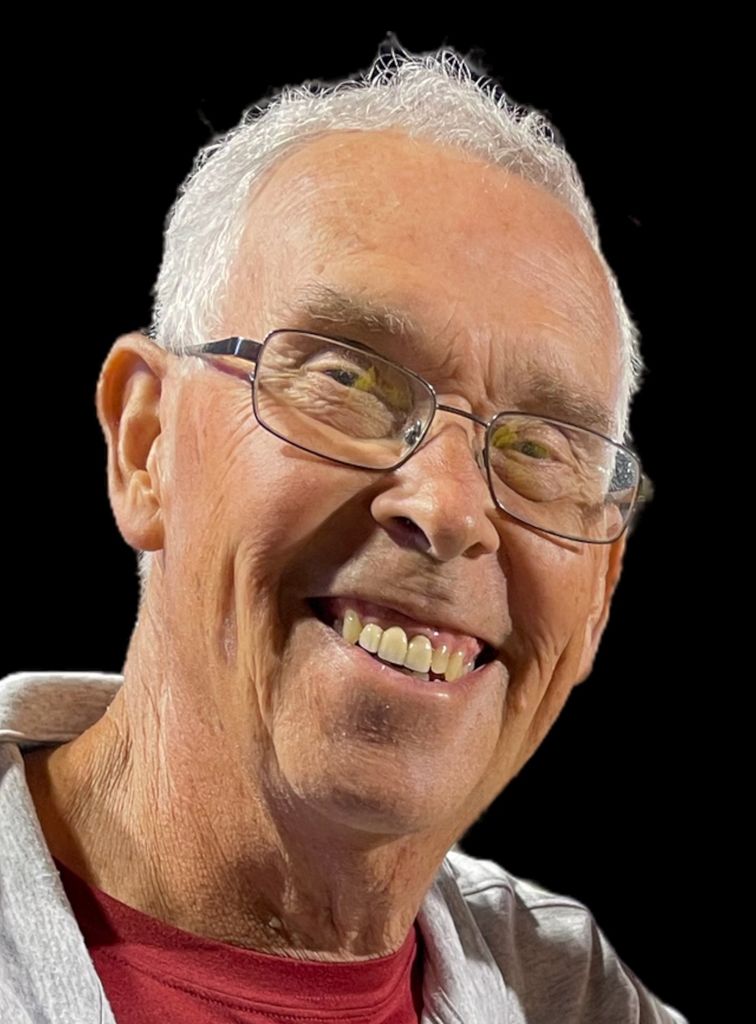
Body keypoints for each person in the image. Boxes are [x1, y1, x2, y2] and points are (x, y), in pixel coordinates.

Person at [0, 41, 687, 1024]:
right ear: (146, 445)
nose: (448, 508)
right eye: (348, 379)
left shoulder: (575, 996)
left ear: (601, 596)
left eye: (542, 446)